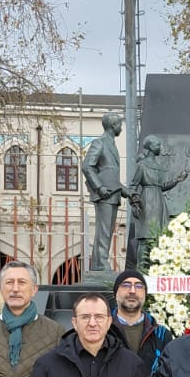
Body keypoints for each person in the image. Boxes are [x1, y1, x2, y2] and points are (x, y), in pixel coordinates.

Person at [126, 135, 189, 267]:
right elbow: (133, 186)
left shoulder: (158, 166)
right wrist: (135, 203)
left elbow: (162, 186)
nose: (160, 147)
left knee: (159, 238)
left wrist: (177, 180)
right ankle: (142, 267)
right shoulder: (142, 165)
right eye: (157, 145)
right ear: (150, 147)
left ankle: (157, 267)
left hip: (160, 203)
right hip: (147, 202)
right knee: (146, 238)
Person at [82, 112, 133, 272]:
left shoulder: (111, 144)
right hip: (105, 194)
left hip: (113, 194)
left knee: (107, 231)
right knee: (103, 230)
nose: (121, 129)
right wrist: (99, 187)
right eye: (119, 125)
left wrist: (127, 192)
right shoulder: (100, 143)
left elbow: (110, 175)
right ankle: (100, 264)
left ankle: (100, 264)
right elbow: (87, 166)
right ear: (113, 126)